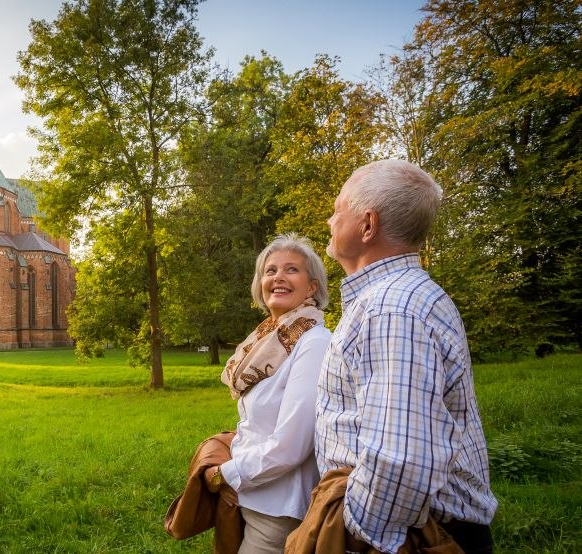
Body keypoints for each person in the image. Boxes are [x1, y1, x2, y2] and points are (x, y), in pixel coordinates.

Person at [315, 159, 498, 553]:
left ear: (367, 225)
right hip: (413, 529)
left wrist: (356, 535)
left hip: (413, 537)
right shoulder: (397, 298)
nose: (330, 220)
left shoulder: (391, 308)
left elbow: (399, 458)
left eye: (338, 209)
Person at [204, 233, 332, 553]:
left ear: (312, 287)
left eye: (292, 269)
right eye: (270, 270)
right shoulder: (267, 340)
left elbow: (292, 446)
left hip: (279, 510)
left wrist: (224, 475)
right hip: (251, 494)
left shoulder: (314, 343)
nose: (278, 277)